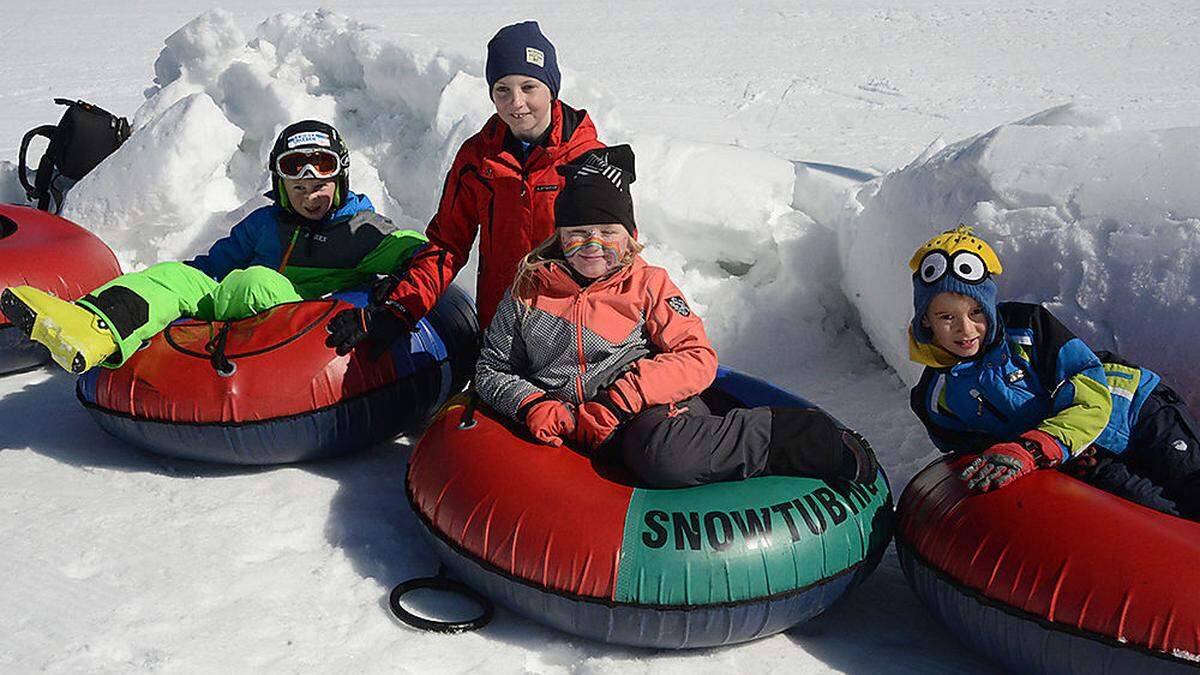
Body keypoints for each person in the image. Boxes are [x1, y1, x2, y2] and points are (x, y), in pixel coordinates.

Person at [474, 146, 878, 488]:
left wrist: (618, 402)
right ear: (559, 236)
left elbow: (697, 356)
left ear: (629, 235)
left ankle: (808, 438)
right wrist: (531, 405)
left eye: (607, 231)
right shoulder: (529, 289)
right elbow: (492, 366)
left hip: (642, 411)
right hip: (567, 420)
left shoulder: (647, 285)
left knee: (663, 457)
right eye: (577, 232)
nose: (592, 244)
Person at [1, 120, 427, 373]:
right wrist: (182, 284)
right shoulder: (265, 223)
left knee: (257, 282)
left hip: (302, 326)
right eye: (298, 187)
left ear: (339, 181)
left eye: (319, 185)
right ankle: (89, 328)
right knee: (172, 275)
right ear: (281, 187)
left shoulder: (361, 230)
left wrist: (390, 297)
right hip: (230, 309)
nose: (309, 196)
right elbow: (211, 266)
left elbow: (422, 251)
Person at [327, 20, 606, 358]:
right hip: (503, 334)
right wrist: (398, 310)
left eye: (529, 87)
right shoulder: (478, 158)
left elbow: (615, 258)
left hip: (575, 337)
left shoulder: (588, 158)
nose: (516, 103)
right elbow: (447, 245)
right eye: (502, 89)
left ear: (551, 88)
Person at [907, 225, 1200, 518]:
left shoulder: (1028, 328)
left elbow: (1091, 397)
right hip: (1083, 456)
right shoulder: (936, 399)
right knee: (1160, 518)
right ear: (926, 321)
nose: (965, 329)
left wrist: (1033, 448)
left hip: (1136, 412)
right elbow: (973, 455)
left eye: (976, 312)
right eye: (947, 317)